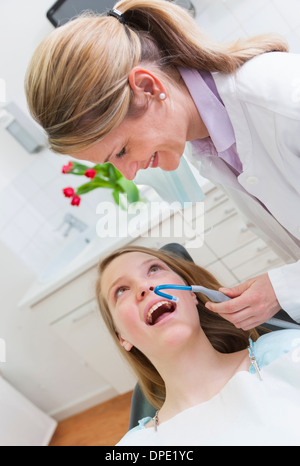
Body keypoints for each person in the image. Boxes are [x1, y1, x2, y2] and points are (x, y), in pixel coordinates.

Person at [24, 0, 300, 331]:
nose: (129, 173)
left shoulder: (281, 99)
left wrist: (281, 288)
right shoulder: (211, 146)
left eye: (122, 151)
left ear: (148, 88)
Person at [96, 245, 300, 446]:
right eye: (121, 291)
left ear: (191, 293)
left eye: (154, 269)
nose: (143, 287)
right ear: (122, 337)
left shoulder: (287, 352)